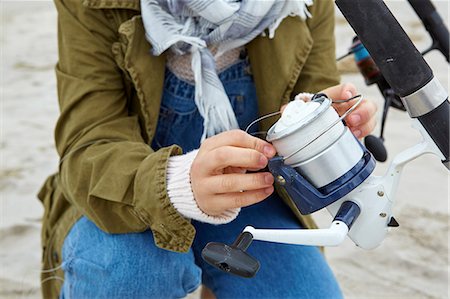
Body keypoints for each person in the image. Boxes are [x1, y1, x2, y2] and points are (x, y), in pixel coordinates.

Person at [38, 0, 377, 298]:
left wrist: (321, 124)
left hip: (253, 198)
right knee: (132, 274)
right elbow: (88, 145)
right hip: (120, 198)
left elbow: (313, 89)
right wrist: (178, 183)